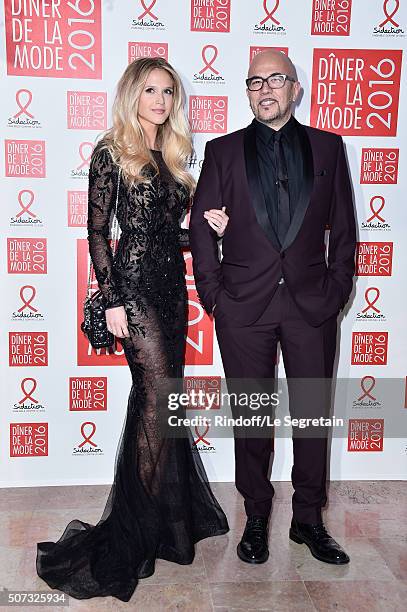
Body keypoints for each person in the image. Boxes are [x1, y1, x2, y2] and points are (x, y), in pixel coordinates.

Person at [36, 57, 229, 602]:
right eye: (150, 90)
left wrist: (205, 229)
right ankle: (136, 531)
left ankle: (158, 518)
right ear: (131, 95)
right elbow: (97, 231)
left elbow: (171, 236)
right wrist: (112, 298)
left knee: (165, 404)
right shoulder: (110, 151)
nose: (161, 101)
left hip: (172, 294)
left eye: (168, 92)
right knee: (155, 401)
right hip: (135, 293)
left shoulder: (171, 158)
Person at [190, 50, 356, 566]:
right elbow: (200, 227)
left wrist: (336, 291)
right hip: (244, 308)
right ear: (247, 91)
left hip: (311, 307)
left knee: (311, 418)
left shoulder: (329, 146)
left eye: (276, 80)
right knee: (252, 418)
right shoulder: (222, 151)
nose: (266, 89)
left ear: (295, 89)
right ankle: (257, 515)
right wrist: (215, 296)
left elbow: (346, 230)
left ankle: (308, 520)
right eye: (255, 81)